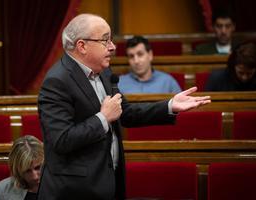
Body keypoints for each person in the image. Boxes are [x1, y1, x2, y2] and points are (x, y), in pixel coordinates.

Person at [37, 13, 211, 200]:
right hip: (73, 192)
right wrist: (103, 118)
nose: (112, 47)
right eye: (105, 40)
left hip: (107, 182)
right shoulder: (57, 81)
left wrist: (170, 105)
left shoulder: (103, 71)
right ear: (82, 46)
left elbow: (125, 112)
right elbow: (61, 140)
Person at [0, 135, 44, 200]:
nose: (35, 177)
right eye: (27, 171)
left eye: (37, 168)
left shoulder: (58, 185)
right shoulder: (2, 190)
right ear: (18, 170)